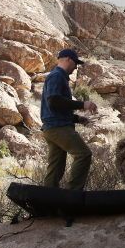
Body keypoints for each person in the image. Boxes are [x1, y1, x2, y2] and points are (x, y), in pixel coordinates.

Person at [39, 49, 98, 190]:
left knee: (56, 168)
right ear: (68, 60)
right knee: (84, 155)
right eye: (75, 63)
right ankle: (72, 195)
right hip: (58, 128)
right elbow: (54, 101)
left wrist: (78, 119)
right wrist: (82, 104)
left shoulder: (56, 76)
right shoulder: (57, 76)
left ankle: (48, 201)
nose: (76, 67)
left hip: (51, 128)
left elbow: (56, 108)